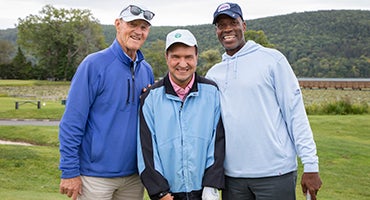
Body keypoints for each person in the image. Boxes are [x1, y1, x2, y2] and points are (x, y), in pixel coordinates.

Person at [206, 2, 322, 200]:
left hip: (275, 173)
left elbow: (295, 113)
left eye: (232, 22)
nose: (227, 29)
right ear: (216, 31)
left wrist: (310, 165)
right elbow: (209, 129)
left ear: (243, 25)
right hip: (232, 178)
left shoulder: (272, 60)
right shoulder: (213, 74)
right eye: (220, 25)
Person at [58, 3, 155, 200]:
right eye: (132, 24)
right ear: (118, 24)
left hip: (134, 177)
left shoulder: (147, 71)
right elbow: (72, 122)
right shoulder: (93, 64)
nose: (138, 31)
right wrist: (69, 171)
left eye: (143, 27)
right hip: (95, 177)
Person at [137, 29, 225, 200]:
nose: (182, 63)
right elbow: (146, 149)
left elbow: (218, 141)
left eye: (188, 57)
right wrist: (160, 192)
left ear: (196, 57)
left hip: (204, 192)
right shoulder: (150, 97)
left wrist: (211, 185)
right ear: (167, 57)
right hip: (168, 194)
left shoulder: (212, 92)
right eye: (176, 57)